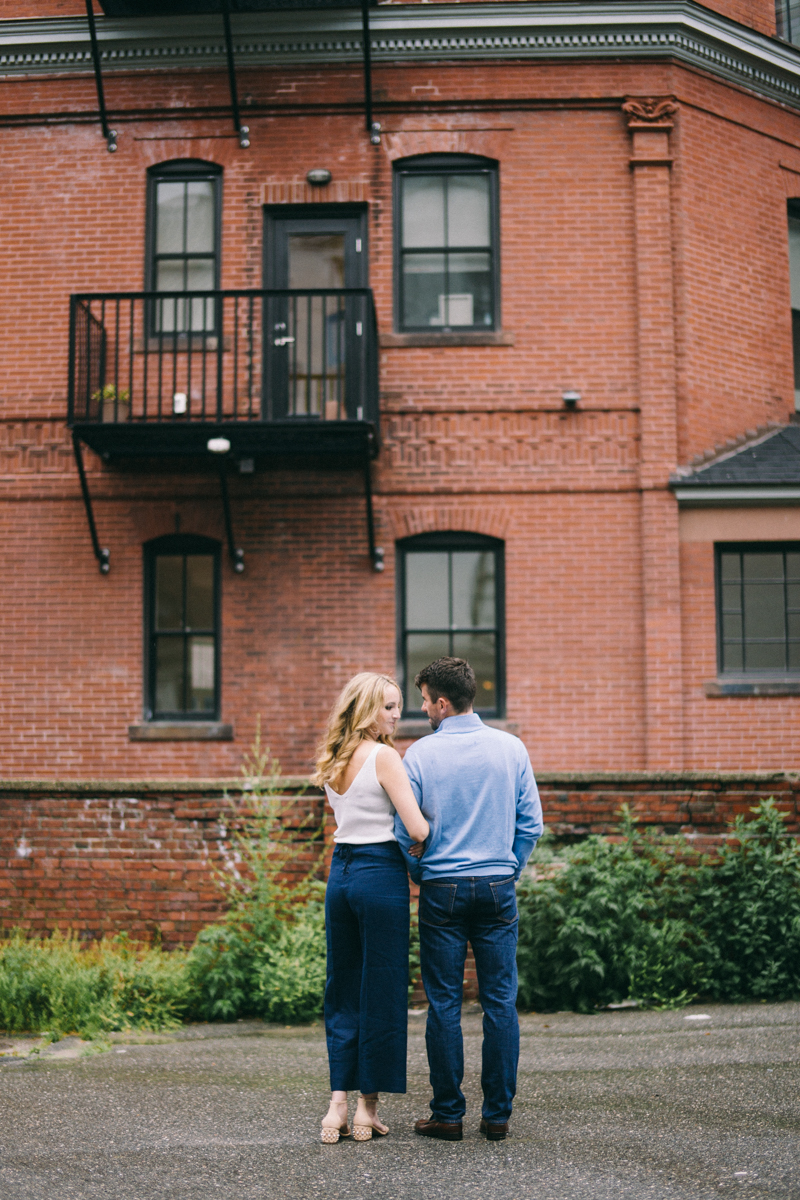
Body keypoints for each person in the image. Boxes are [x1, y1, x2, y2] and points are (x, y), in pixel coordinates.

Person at [394, 656, 543, 1143]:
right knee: (501, 1001)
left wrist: (422, 871)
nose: (421, 709)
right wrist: (510, 866)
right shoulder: (511, 748)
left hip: (443, 890)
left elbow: (403, 832)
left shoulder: (418, 756)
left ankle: (448, 1114)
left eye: (423, 700)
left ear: (442, 702)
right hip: (498, 887)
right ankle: (497, 1116)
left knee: (444, 1004)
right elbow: (531, 823)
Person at [313, 672, 430, 1144]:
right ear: (365, 709)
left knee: (342, 987)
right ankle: (367, 1109)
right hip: (379, 874)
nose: (397, 714)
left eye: (399, 705)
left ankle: (335, 1106)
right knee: (379, 987)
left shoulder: (334, 757)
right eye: (387, 706)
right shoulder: (384, 757)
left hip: (339, 875)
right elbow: (417, 828)